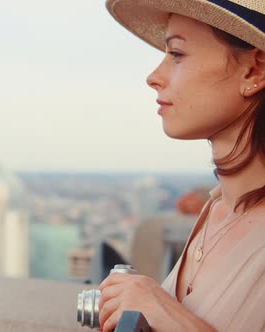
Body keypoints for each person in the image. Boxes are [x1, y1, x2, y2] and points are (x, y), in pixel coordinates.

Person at [99, 1, 265, 331]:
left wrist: (159, 305)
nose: (153, 77)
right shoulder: (217, 209)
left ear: (255, 71)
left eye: (176, 54)